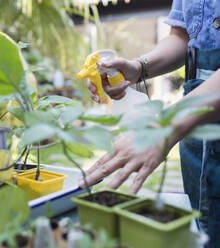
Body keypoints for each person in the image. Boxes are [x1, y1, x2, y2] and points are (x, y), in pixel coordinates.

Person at [79, 1, 220, 247]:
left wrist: (165, 129)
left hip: (190, 116)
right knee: (201, 223)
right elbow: (182, 35)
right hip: (196, 128)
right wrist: (138, 67)